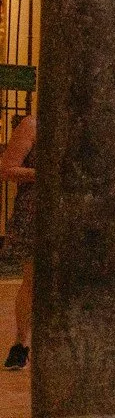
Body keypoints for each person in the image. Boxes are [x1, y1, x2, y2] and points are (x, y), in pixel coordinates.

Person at [2, 112, 32, 371]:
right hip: (35, 210)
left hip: (71, 210)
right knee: (33, 279)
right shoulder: (32, 125)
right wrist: (43, 173)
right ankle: (21, 343)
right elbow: (7, 168)